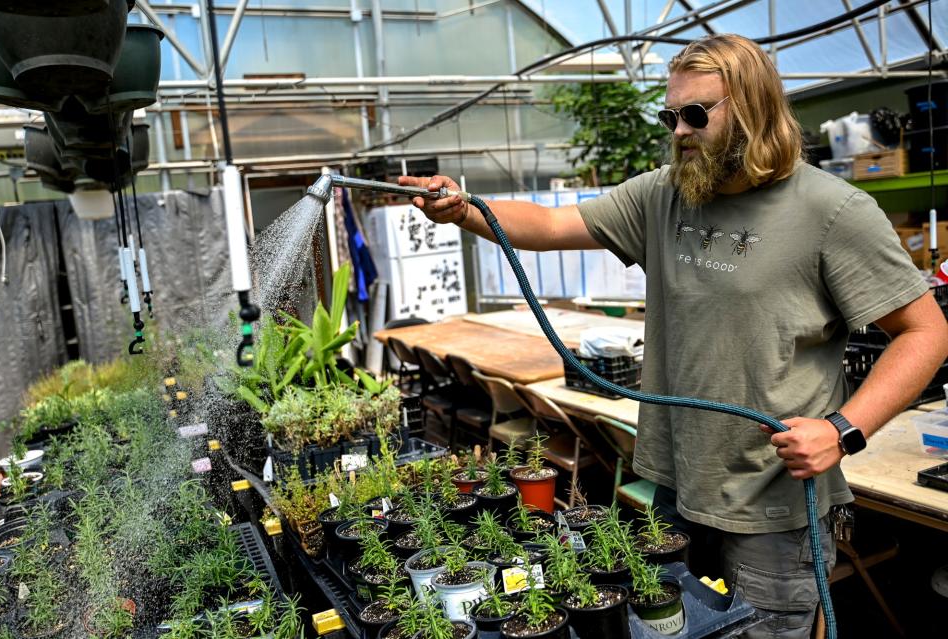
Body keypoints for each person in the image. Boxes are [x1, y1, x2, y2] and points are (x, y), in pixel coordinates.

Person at [401, 34, 948, 637]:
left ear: (754, 110)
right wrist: (465, 208)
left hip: (771, 502)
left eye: (696, 114)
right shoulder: (664, 193)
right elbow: (553, 223)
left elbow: (926, 331)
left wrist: (843, 430)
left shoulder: (832, 212)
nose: (680, 130)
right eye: (671, 115)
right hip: (674, 484)